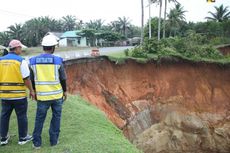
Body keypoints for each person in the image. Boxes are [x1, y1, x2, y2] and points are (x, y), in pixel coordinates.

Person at [29, 35, 67, 149]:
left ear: (43, 47)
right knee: (56, 118)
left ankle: (37, 143)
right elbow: (63, 78)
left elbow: (31, 79)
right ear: (53, 47)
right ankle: (54, 141)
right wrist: (65, 91)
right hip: (57, 96)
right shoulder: (58, 61)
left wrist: (33, 91)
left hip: (42, 97)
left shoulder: (33, 61)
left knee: (39, 119)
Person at [0, 40, 35, 146]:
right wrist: (32, 91)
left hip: (4, 95)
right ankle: (23, 138)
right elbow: (26, 78)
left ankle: (3, 138)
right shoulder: (21, 61)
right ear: (17, 48)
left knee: (4, 116)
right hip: (18, 95)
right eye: (20, 48)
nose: (21, 50)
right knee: (21, 116)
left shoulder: (0, 60)